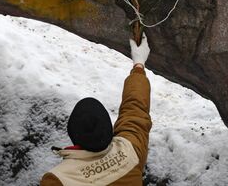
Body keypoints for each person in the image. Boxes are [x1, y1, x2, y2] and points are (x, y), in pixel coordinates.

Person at [40, 34, 151, 185]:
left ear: (73, 134)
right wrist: (139, 64)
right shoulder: (130, 149)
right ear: (108, 129)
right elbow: (135, 108)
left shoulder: (58, 179)